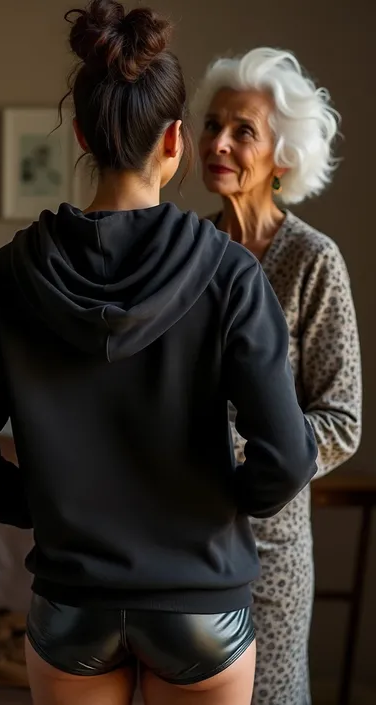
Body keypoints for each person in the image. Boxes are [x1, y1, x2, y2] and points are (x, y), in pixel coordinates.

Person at [0, 6, 318, 705]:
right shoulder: (230, 273)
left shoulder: (11, 275)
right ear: (174, 141)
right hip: (201, 600)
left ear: (81, 135)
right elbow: (287, 457)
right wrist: (216, 505)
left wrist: (47, 507)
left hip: (73, 602)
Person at [193, 47, 362, 705]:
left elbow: (341, 420)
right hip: (182, 535)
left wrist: (244, 454)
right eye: (212, 125)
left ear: (281, 157)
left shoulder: (314, 261)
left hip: (271, 544)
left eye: (243, 131)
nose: (220, 142)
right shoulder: (189, 253)